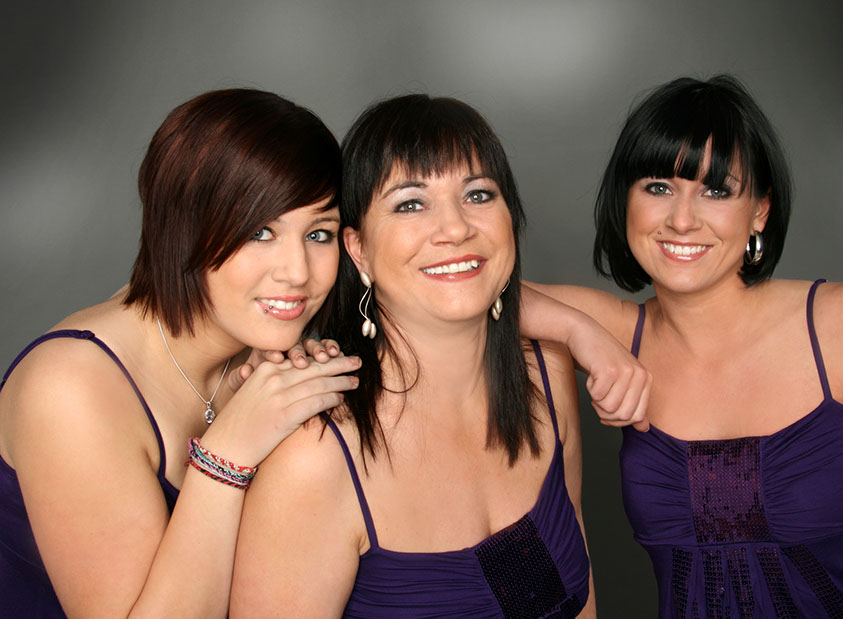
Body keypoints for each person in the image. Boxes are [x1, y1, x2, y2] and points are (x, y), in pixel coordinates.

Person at [525, 75, 843, 617]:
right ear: (626, 200)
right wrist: (579, 332)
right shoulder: (618, 333)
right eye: (658, 188)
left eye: (716, 191)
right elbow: (462, 291)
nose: (682, 219)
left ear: (759, 211)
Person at [231, 94, 597, 618]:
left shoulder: (547, 376)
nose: (456, 228)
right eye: (410, 203)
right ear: (358, 250)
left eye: (478, 194)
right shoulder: (313, 458)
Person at [0, 88, 360, 618]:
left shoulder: (258, 350)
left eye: (319, 233)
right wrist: (227, 455)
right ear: (183, 226)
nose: (297, 272)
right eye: (260, 231)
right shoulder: (70, 387)